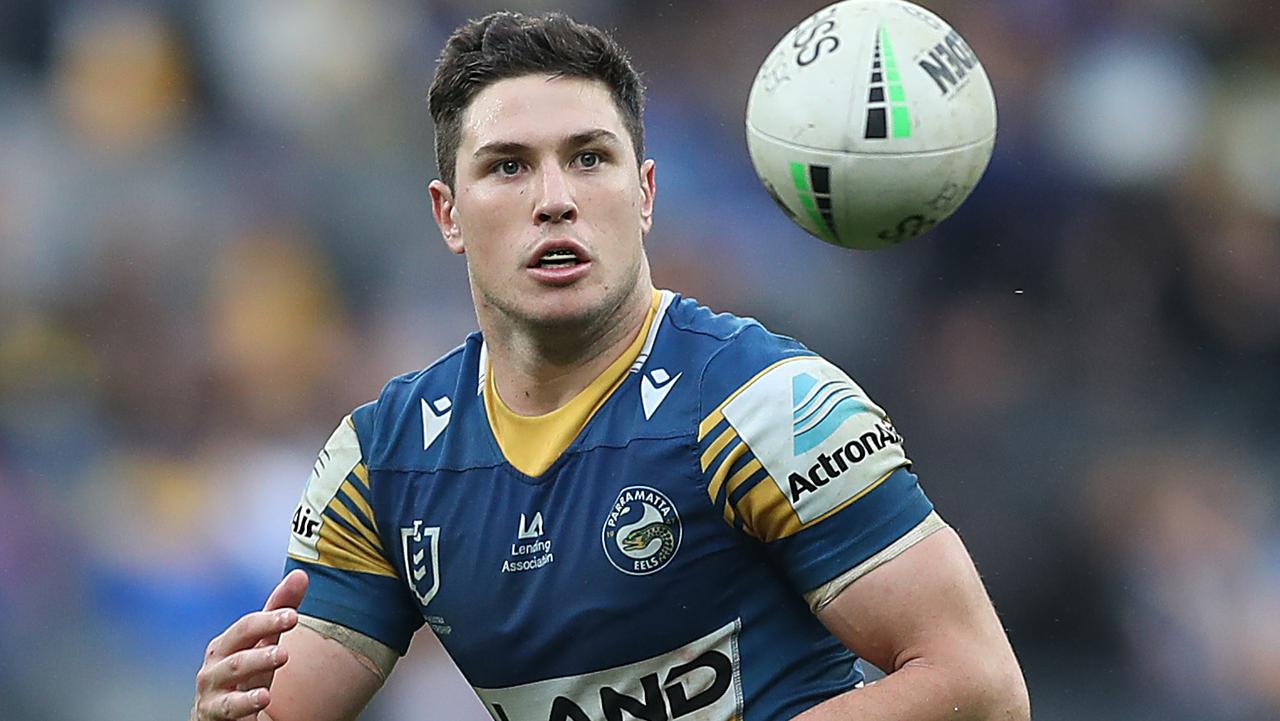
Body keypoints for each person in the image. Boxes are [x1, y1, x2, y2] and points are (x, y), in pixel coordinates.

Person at [191, 11, 1029, 721]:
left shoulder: (766, 405)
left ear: (646, 194)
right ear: (448, 213)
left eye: (589, 157)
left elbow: (978, 681)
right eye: (508, 165)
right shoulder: (386, 460)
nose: (554, 196)